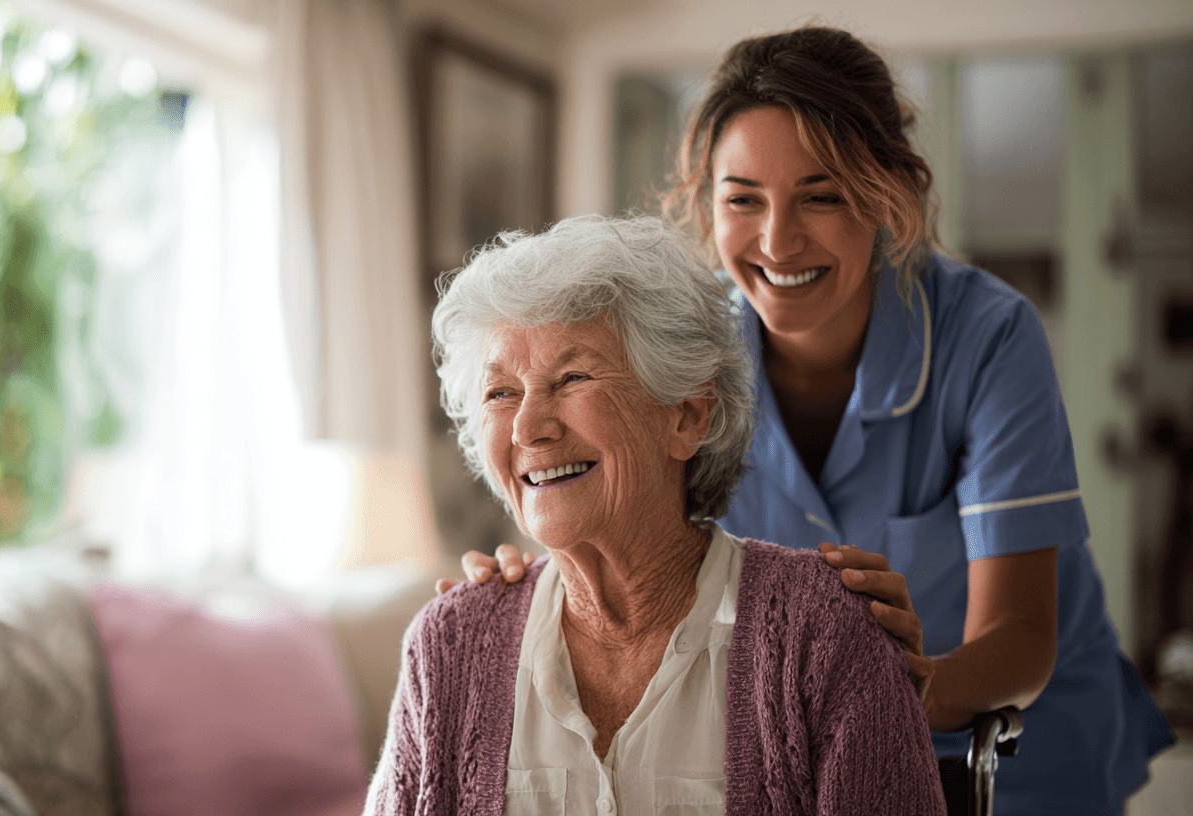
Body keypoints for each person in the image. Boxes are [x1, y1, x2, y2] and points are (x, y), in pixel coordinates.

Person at [448, 26, 1174, 814]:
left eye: (822, 195)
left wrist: (885, 696)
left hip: (1020, 742)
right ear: (707, 204)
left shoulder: (988, 336)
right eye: (742, 200)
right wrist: (535, 589)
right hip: (821, 746)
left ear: (886, 192)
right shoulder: (691, 362)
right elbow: (626, 530)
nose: (777, 239)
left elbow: (1023, 636)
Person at [368, 214, 945, 816]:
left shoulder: (827, 636)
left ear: (689, 416)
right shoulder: (450, 646)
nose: (528, 428)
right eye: (500, 393)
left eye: (572, 378)